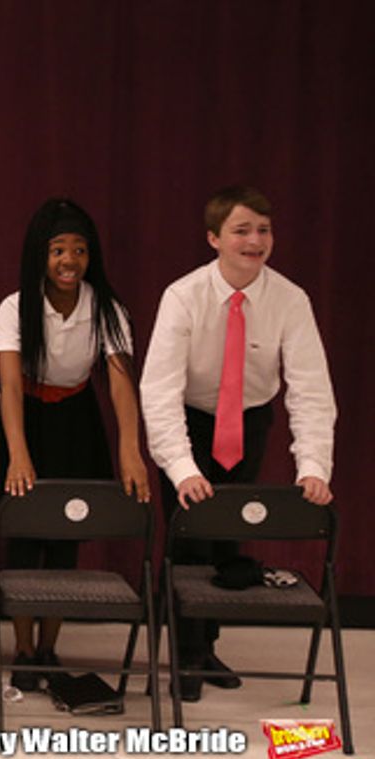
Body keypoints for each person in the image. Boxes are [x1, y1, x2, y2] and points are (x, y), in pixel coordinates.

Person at [140, 185, 336, 702]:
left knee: (230, 539)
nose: (255, 241)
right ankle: (185, 653)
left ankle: (207, 647)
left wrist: (313, 466)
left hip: (248, 422)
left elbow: (311, 389)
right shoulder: (183, 296)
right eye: (241, 230)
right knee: (188, 540)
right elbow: (159, 390)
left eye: (263, 230)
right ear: (214, 238)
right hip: (190, 421)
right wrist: (182, 467)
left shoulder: (290, 299)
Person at [0, 198, 148, 692]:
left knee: (65, 537)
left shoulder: (107, 308)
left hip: (76, 421)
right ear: (40, 254)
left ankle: (49, 647)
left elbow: (120, 382)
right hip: (25, 418)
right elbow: (8, 385)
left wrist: (130, 450)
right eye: (58, 249)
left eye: (79, 250)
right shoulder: (15, 306)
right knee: (24, 539)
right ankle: (22, 649)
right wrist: (17, 453)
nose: (69, 260)